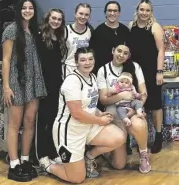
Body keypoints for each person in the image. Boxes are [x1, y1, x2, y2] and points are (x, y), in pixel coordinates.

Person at [39, 48, 126, 183]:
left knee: (119, 137)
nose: (87, 62)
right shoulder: (72, 81)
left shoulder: (92, 76)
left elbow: (90, 104)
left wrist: (99, 113)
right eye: (83, 60)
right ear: (76, 62)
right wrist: (100, 120)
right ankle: (48, 165)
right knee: (77, 178)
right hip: (70, 132)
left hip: (88, 126)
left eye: (90, 59)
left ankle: (89, 157)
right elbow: (77, 113)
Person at [1, 0, 46, 182]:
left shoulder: (35, 30)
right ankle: (14, 162)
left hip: (34, 82)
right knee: (14, 124)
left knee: (29, 122)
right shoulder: (11, 30)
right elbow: (5, 59)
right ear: (19, 10)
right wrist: (6, 87)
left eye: (31, 8)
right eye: (24, 8)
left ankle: (26, 159)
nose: (27, 10)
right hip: (16, 82)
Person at [97, 44, 151, 173]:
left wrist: (136, 108)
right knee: (119, 165)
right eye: (119, 51)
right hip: (114, 111)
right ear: (112, 50)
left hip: (131, 107)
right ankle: (107, 151)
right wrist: (121, 95)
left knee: (138, 123)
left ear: (129, 55)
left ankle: (143, 156)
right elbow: (103, 99)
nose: (121, 55)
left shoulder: (135, 67)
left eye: (125, 53)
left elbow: (143, 93)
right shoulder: (103, 70)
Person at [127, 0, 165, 153]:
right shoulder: (131, 26)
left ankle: (158, 136)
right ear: (137, 10)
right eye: (141, 9)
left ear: (151, 12)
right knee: (136, 104)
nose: (144, 13)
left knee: (155, 105)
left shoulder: (155, 27)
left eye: (147, 10)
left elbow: (161, 50)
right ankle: (138, 137)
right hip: (135, 72)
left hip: (151, 71)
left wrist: (159, 71)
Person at [35, 8, 67, 165]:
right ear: (48, 18)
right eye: (53, 18)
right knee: (42, 120)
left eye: (59, 19)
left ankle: (52, 151)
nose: (56, 21)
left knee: (54, 119)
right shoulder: (40, 36)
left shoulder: (59, 37)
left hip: (56, 84)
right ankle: (40, 154)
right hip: (43, 84)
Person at [90, 1, 130, 75]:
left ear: (119, 13)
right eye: (109, 10)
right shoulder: (98, 31)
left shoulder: (125, 30)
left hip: (121, 72)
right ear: (105, 12)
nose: (112, 13)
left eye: (115, 11)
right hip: (102, 72)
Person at [62, 3, 92, 78]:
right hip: (70, 68)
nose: (83, 17)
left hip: (85, 68)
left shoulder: (90, 31)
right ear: (75, 14)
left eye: (86, 14)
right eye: (81, 13)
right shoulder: (66, 30)